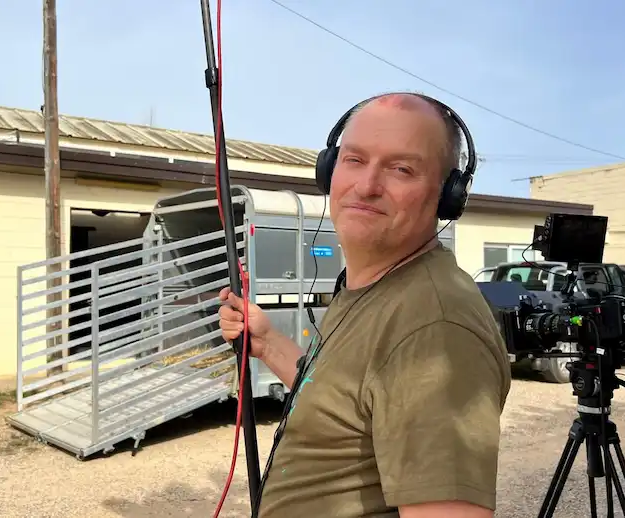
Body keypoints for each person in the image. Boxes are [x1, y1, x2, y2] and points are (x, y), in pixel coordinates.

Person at [218, 92, 512, 517]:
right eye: (354, 160)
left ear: (448, 195)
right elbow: (343, 400)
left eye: (401, 169)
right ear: (329, 170)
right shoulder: (375, 288)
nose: (367, 186)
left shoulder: (436, 326)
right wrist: (268, 344)